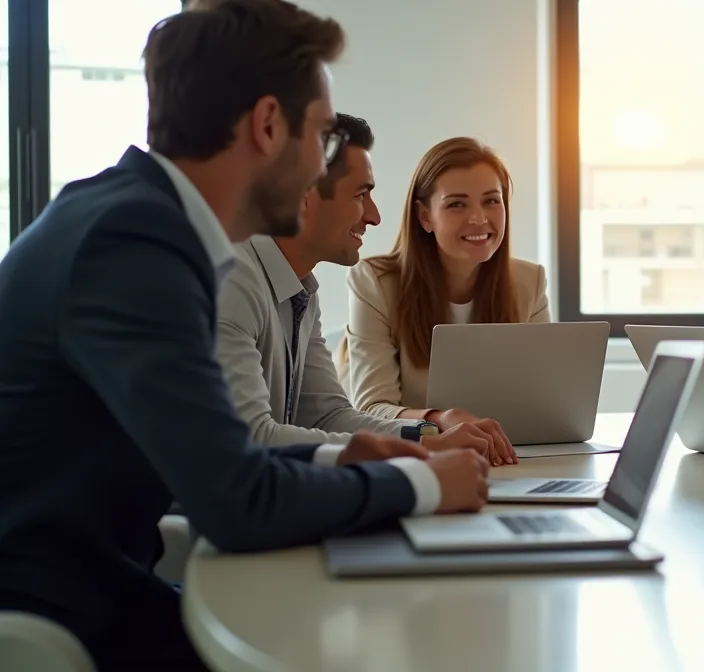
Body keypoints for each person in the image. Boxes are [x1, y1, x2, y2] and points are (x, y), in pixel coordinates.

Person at [0, 2, 488, 669]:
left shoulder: (132, 218)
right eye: (319, 136)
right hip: (61, 621)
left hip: (96, 591)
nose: (322, 164)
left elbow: (222, 456)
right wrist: (426, 484)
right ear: (266, 125)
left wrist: (338, 460)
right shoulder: (133, 244)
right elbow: (236, 500)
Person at [216, 113, 517, 465]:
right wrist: (423, 455)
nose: (373, 216)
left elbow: (327, 417)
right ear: (305, 197)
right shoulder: (232, 279)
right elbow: (252, 437)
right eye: (362, 195)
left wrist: (430, 436)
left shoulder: (300, 290)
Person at [336, 137, 550, 431]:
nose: (478, 218)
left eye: (491, 201)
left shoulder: (530, 282)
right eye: (456, 205)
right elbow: (372, 408)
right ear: (425, 216)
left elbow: (546, 402)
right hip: (415, 455)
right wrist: (440, 419)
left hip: (503, 454)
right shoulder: (374, 283)